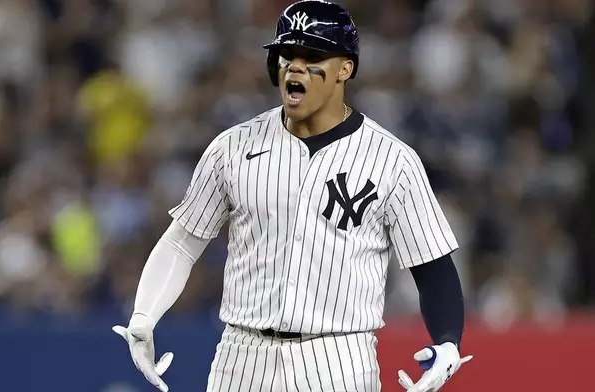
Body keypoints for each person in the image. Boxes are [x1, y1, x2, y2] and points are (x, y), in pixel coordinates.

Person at [112, 1, 473, 391]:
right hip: (242, 355)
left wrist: (448, 342)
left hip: (338, 359)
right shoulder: (232, 147)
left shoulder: (392, 159)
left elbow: (432, 267)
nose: (295, 66)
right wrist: (144, 316)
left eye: (312, 55)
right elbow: (183, 243)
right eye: (287, 54)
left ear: (345, 68)